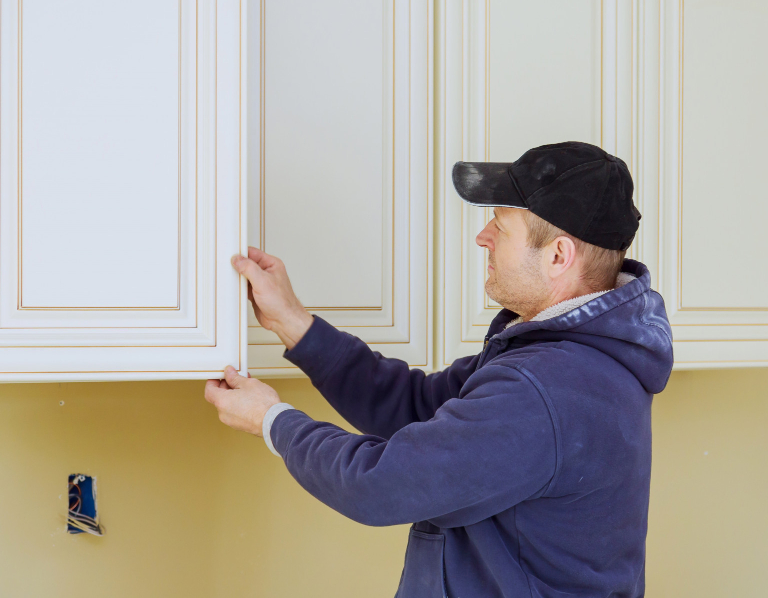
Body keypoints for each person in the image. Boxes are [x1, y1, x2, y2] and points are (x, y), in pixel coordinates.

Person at [204, 141, 674, 597]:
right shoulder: (564, 355)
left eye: (500, 225)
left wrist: (271, 420)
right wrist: (295, 324)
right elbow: (419, 405)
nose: (482, 236)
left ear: (558, 256)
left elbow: (378, 485)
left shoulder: (545, 388)